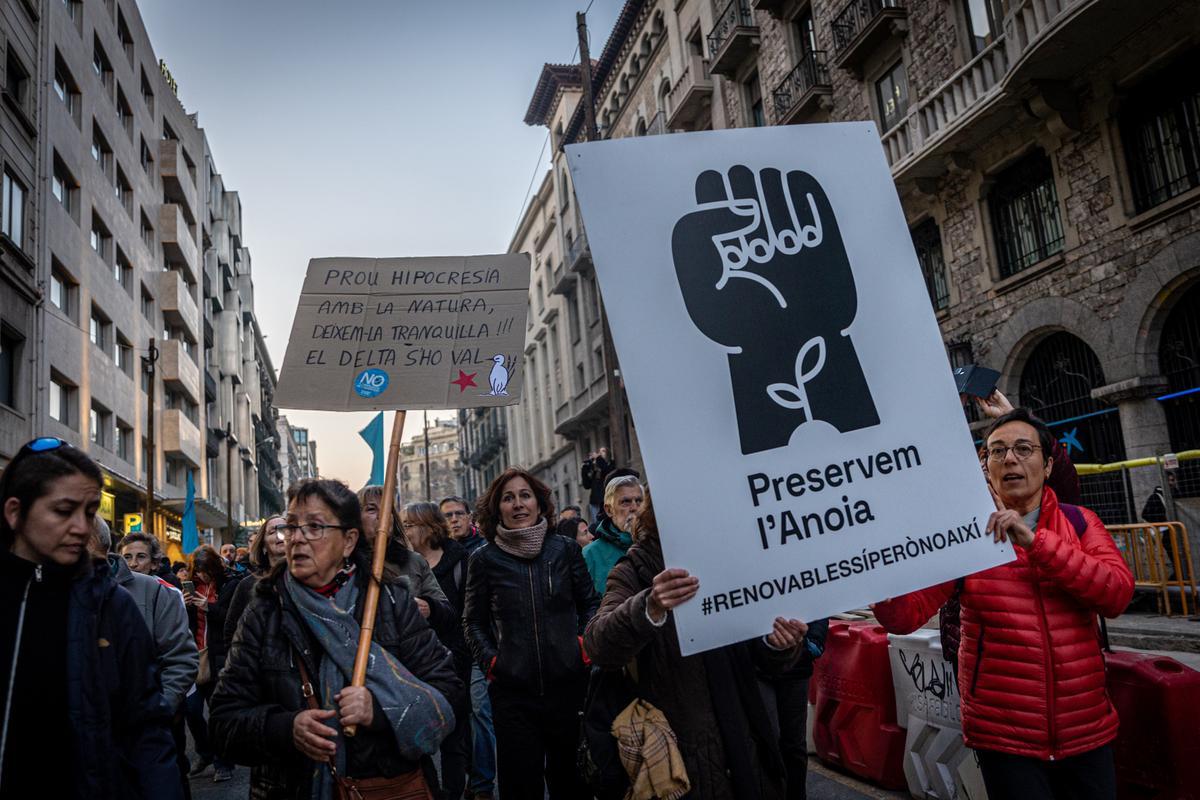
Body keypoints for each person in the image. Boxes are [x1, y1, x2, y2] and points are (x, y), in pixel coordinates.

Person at [873, 408, 1134, 800]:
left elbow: (1115, 593)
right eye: (996, 452)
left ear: (1047, 466)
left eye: (1022, 449)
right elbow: (904, 615)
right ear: (985, 466)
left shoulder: (1080, 523)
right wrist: (879, 575)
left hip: (1086, 730)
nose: (1009, 459)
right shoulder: (965, 536)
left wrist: (1035, 542)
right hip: (1004, 737)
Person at [210, 478, 461, 799]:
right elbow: (223, 721)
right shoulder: (265, 609)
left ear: (348, 541)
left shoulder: (390, 601)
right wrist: (285, 728)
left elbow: (449, 690)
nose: (297, 538)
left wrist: (382, 710)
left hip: (384, 784)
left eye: (314, 527)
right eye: (292, 526)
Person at [583, 488, 808, 800]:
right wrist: (651, 605)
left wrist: (778, 645)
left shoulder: (732, 560)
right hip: (678, 757)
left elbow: (762, 655)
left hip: (744, 747)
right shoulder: (634, 569)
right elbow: (598, 645)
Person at [0, 437, 180, 798]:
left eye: (90, 511)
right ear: (15, 512)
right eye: (64, 511)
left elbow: (147, 729)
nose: (82, 528)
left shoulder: (112, 606)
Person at [463, 467, 600, 799]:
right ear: (498, 509)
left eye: (525, 495)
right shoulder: (484, 559)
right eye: (508, 498)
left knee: (572, 784)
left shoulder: (565, 550)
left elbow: (590, 604)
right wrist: (494, 663)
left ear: (539, 503)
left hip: (568, 690)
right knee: (520, 787)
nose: (518, 504)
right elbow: (472, 623)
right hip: (513, 696)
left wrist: (581, 646)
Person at [106, 520, 198, 799]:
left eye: (141, 556)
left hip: (159, 715)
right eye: (128, 556)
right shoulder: (97, 591)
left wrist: (162, 706)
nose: (133, 562)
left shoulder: (163, 592)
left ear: (155, 562)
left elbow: (181, 655)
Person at [402, 501, 474, 800]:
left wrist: (431, 608)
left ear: (428, 527)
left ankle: (457, 791)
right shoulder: (400, 562)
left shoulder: (461, 560)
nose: (404, 530)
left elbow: (467, 614)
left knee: (455, 734)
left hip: (453, 658)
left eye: (409, 525)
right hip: (414, 662)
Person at [439, 496, 496, 800]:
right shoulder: (436, 556)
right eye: (448, 515)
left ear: (469, 517)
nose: (454, 519)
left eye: (459, 513)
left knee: (480, 711)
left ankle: (483, 784)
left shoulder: (484, 550)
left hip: (480, 644)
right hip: (449, 649)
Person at [358, 486, 455, 629]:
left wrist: (430, 607)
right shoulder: (346, 563)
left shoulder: (414, 561)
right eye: (372, 509)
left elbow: (447, 611)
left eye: (387, 509)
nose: (383, 515)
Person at [185, 544, 239, 782]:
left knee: (217, 712)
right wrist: (184, 604)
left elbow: (232, 618)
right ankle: (205, 752)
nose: (201, 575)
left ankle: (222, 762)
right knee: (191, 711)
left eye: (205, 570)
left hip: (218, 656)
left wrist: (210, 608)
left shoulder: (229, 585)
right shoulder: (191, 587)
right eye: (197, 571)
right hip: (194, 656)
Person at [762, 617, 829, 800]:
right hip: (759, 668)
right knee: (767, 740)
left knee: (794, 744)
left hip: (796, 669)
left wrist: (810, 645)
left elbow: (820, 606)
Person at [222, 515, 288, 659]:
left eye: (284, 529)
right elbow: (231, 632)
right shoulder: (247, 585)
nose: (279, 535)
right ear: (263, 546)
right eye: (272, 532)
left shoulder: (306, 580)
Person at [583, 475, 644, 595]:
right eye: (625, 502)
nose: (634, 508)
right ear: (609, 510)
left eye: (639, 501)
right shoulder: (590, 555)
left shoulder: (659, 545)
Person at [581, 447, 612, 522]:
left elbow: (606, 471)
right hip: (595, 502)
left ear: (608, 454)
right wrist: (584, 469)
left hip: (606, 501)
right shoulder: (594, 469)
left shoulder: (610, 465)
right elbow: (587, 485)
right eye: (599, 452)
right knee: (597, 525)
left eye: (603, 451)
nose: (600, 453)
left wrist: (598, 458)